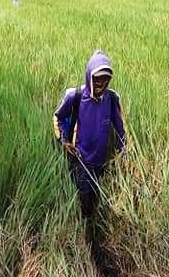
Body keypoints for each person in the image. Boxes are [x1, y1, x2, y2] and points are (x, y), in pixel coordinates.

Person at [53, 50, 127, 218]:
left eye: (105, 79)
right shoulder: (75, 96)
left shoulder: (112, 98)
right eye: (97, 78)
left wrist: (123, 150)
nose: (101, 83)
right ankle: (84, 226)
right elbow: (58, 117)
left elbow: (121, 128)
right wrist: (64, 140)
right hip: (82, 160)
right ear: (89, 76)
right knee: (84, 197)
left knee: (98, 195)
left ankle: (94, 225)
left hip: (103, 161)